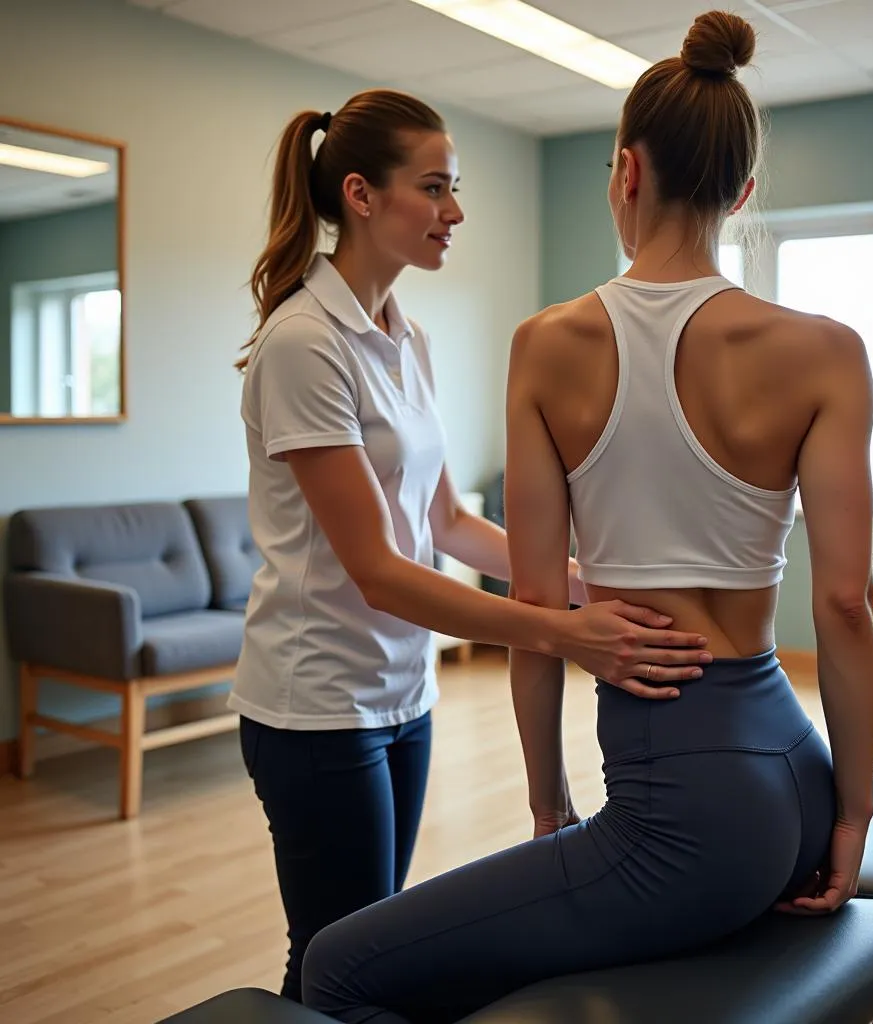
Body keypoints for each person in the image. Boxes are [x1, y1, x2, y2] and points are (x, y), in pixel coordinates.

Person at [299, 10, 873, 1023]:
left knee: (339, 967)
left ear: (623, 172)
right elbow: (846, 601)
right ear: (741, 193)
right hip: (794, 774)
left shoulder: (547, 344)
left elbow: (534, 603)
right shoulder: (825, 349)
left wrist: (546, 802)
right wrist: (854, 812)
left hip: (688, 818)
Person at [230, 89, 714, 1003]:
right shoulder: (303, 344)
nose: (455, 212)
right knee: (338, 955)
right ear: (364, 196)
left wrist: (573, 583)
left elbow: (446, 521)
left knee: (367, 939)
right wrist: (559, 633)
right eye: (437, 188)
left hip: (399, 690)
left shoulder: (402, 335)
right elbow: (378, 571)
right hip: (315, 703)